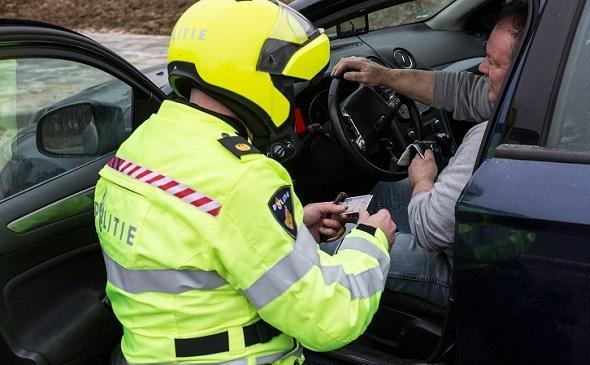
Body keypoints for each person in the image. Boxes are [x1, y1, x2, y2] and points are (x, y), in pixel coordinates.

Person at [95, 1, 396, 364]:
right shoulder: (245, 179)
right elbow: (329, 320)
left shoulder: (138, 148)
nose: (289, 95)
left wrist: (294, 228)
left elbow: (193, 241)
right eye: (287, 85)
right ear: (255, 80)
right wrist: (370, 241)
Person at [329, 2, 528, 307]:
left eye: (493, 62)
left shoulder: (492, 138)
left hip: (467, 272)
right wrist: (384, 75)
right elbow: (461, 89)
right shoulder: (533, 102)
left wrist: (424, 180)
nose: (482, 68)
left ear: (522, 72)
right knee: (385, 193)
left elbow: (432, 230)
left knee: (334, 247)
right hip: (496, 243)